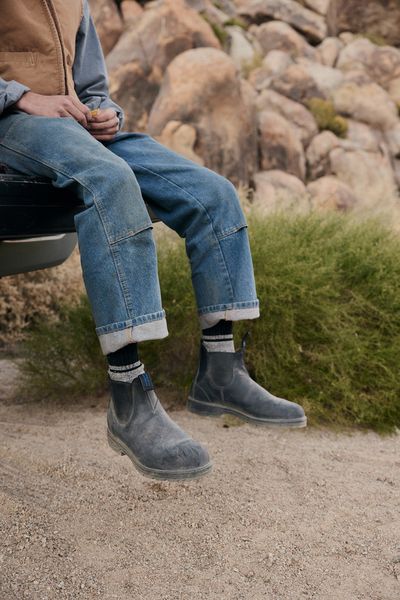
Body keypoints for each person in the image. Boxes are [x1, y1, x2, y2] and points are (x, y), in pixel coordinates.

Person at [0, 0, 306, 481]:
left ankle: (220, 372)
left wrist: (105, 112)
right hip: (11, 126)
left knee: (213, 194)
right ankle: (129, 399)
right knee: (112, 180)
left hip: (73, 131)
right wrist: (23, 98)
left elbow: (92, 87)